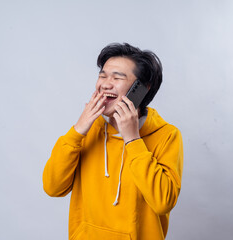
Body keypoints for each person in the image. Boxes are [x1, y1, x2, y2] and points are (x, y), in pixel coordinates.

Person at [43, 43, 183, 240]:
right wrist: (78, 131)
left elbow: (163, 202)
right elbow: (53, 187)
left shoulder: (166, 135)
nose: (105, 84)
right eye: (102, 76)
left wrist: (132, 139)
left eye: (117, 77)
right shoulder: (87, 131)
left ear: (142, 89)